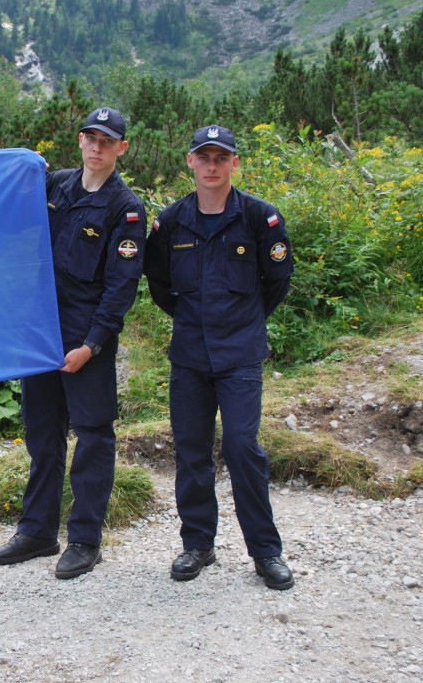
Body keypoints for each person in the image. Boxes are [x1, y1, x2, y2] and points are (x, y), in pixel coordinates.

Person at [0, 108, 146, 579]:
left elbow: (121, 288)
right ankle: (37, 531)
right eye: (90, 137)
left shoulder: (126, 208)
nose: (97, 147)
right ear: (80, 141)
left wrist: (92, 345)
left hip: (84, 341)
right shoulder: (54, 185)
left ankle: (84, 539)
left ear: (122, 148)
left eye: (107, 140)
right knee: (42, 434)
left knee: (94, 436)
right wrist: (18, 168)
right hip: (39, 333)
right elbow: (4, 214)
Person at [143, 126, 295, 590]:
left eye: (220, 157)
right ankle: (198, 545)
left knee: (242, 447)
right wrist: (198, 320)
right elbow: (159, 285)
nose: (212, 165)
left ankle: (266, 552)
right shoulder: (169, 223)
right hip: (189, 356)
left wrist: (241, 320)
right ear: (190, 162)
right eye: (203, 156)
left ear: (234, 163)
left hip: (239, 355)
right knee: (191, 451)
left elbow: (277, 281)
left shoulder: (259, 218)